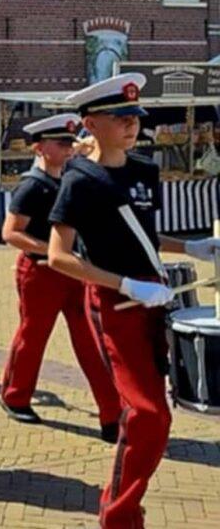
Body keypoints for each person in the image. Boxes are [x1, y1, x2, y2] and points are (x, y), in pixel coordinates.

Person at [47, 73, 220, 529]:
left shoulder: (144, 170)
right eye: (119, 117)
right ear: (91, 124)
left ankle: (121, 508)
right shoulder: (80, 181)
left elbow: (141, 236)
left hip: (153, 297)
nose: (131, 125)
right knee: (147, 415)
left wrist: (191, 247)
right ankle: (119, 516)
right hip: (114, 303)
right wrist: (125, 284)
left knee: (154, 416)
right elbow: (58, 256)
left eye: (134, 116)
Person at [0, 113, 121, 438]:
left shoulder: (70, 177)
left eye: (69, 142)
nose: (68, 149)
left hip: (73, 271)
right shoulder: (32, 185)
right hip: (40, 273)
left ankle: (112, 414)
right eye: (61, 143)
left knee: (91, 341)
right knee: (33, 337)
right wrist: (52, 249)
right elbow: (10, 233)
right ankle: (15, 397)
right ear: (40, 148)